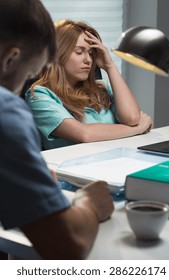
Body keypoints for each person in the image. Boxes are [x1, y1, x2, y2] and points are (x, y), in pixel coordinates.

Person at [0, 0, 114, 260]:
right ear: (10, 58)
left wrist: (27, 187)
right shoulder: (6, 111)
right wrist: (90, 203)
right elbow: (67, 248)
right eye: (28, 72)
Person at [25, 19, 152, 150]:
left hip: (116, 160)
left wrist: (110, 67)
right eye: (79, 52)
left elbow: (132, 118)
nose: (88, 60)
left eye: (91, 54)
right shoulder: (39, 96)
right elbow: (85, 135)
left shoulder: (101, 88)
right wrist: (138, 129)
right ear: (57, 55)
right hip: (73, 168)